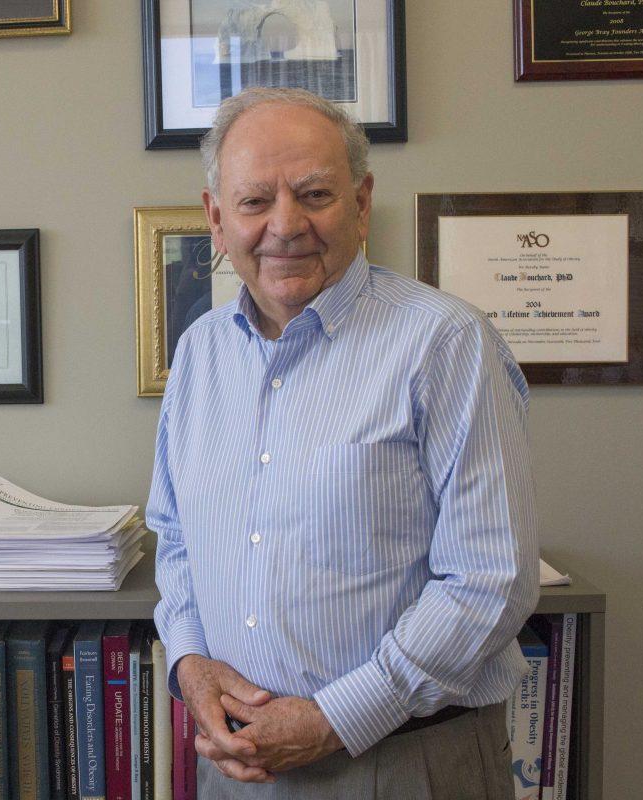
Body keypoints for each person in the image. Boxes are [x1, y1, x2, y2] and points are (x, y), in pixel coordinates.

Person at [148, 86, 539, 798]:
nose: (285, 225)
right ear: (215, 218)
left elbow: (491, 578)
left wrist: (336, 718)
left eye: (315, 194)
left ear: (361, 203)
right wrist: (190, 664)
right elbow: (174, 538)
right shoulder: (200, 354)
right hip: (238, 769)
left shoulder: (445, 343)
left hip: (405, 764)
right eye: (254, 201)